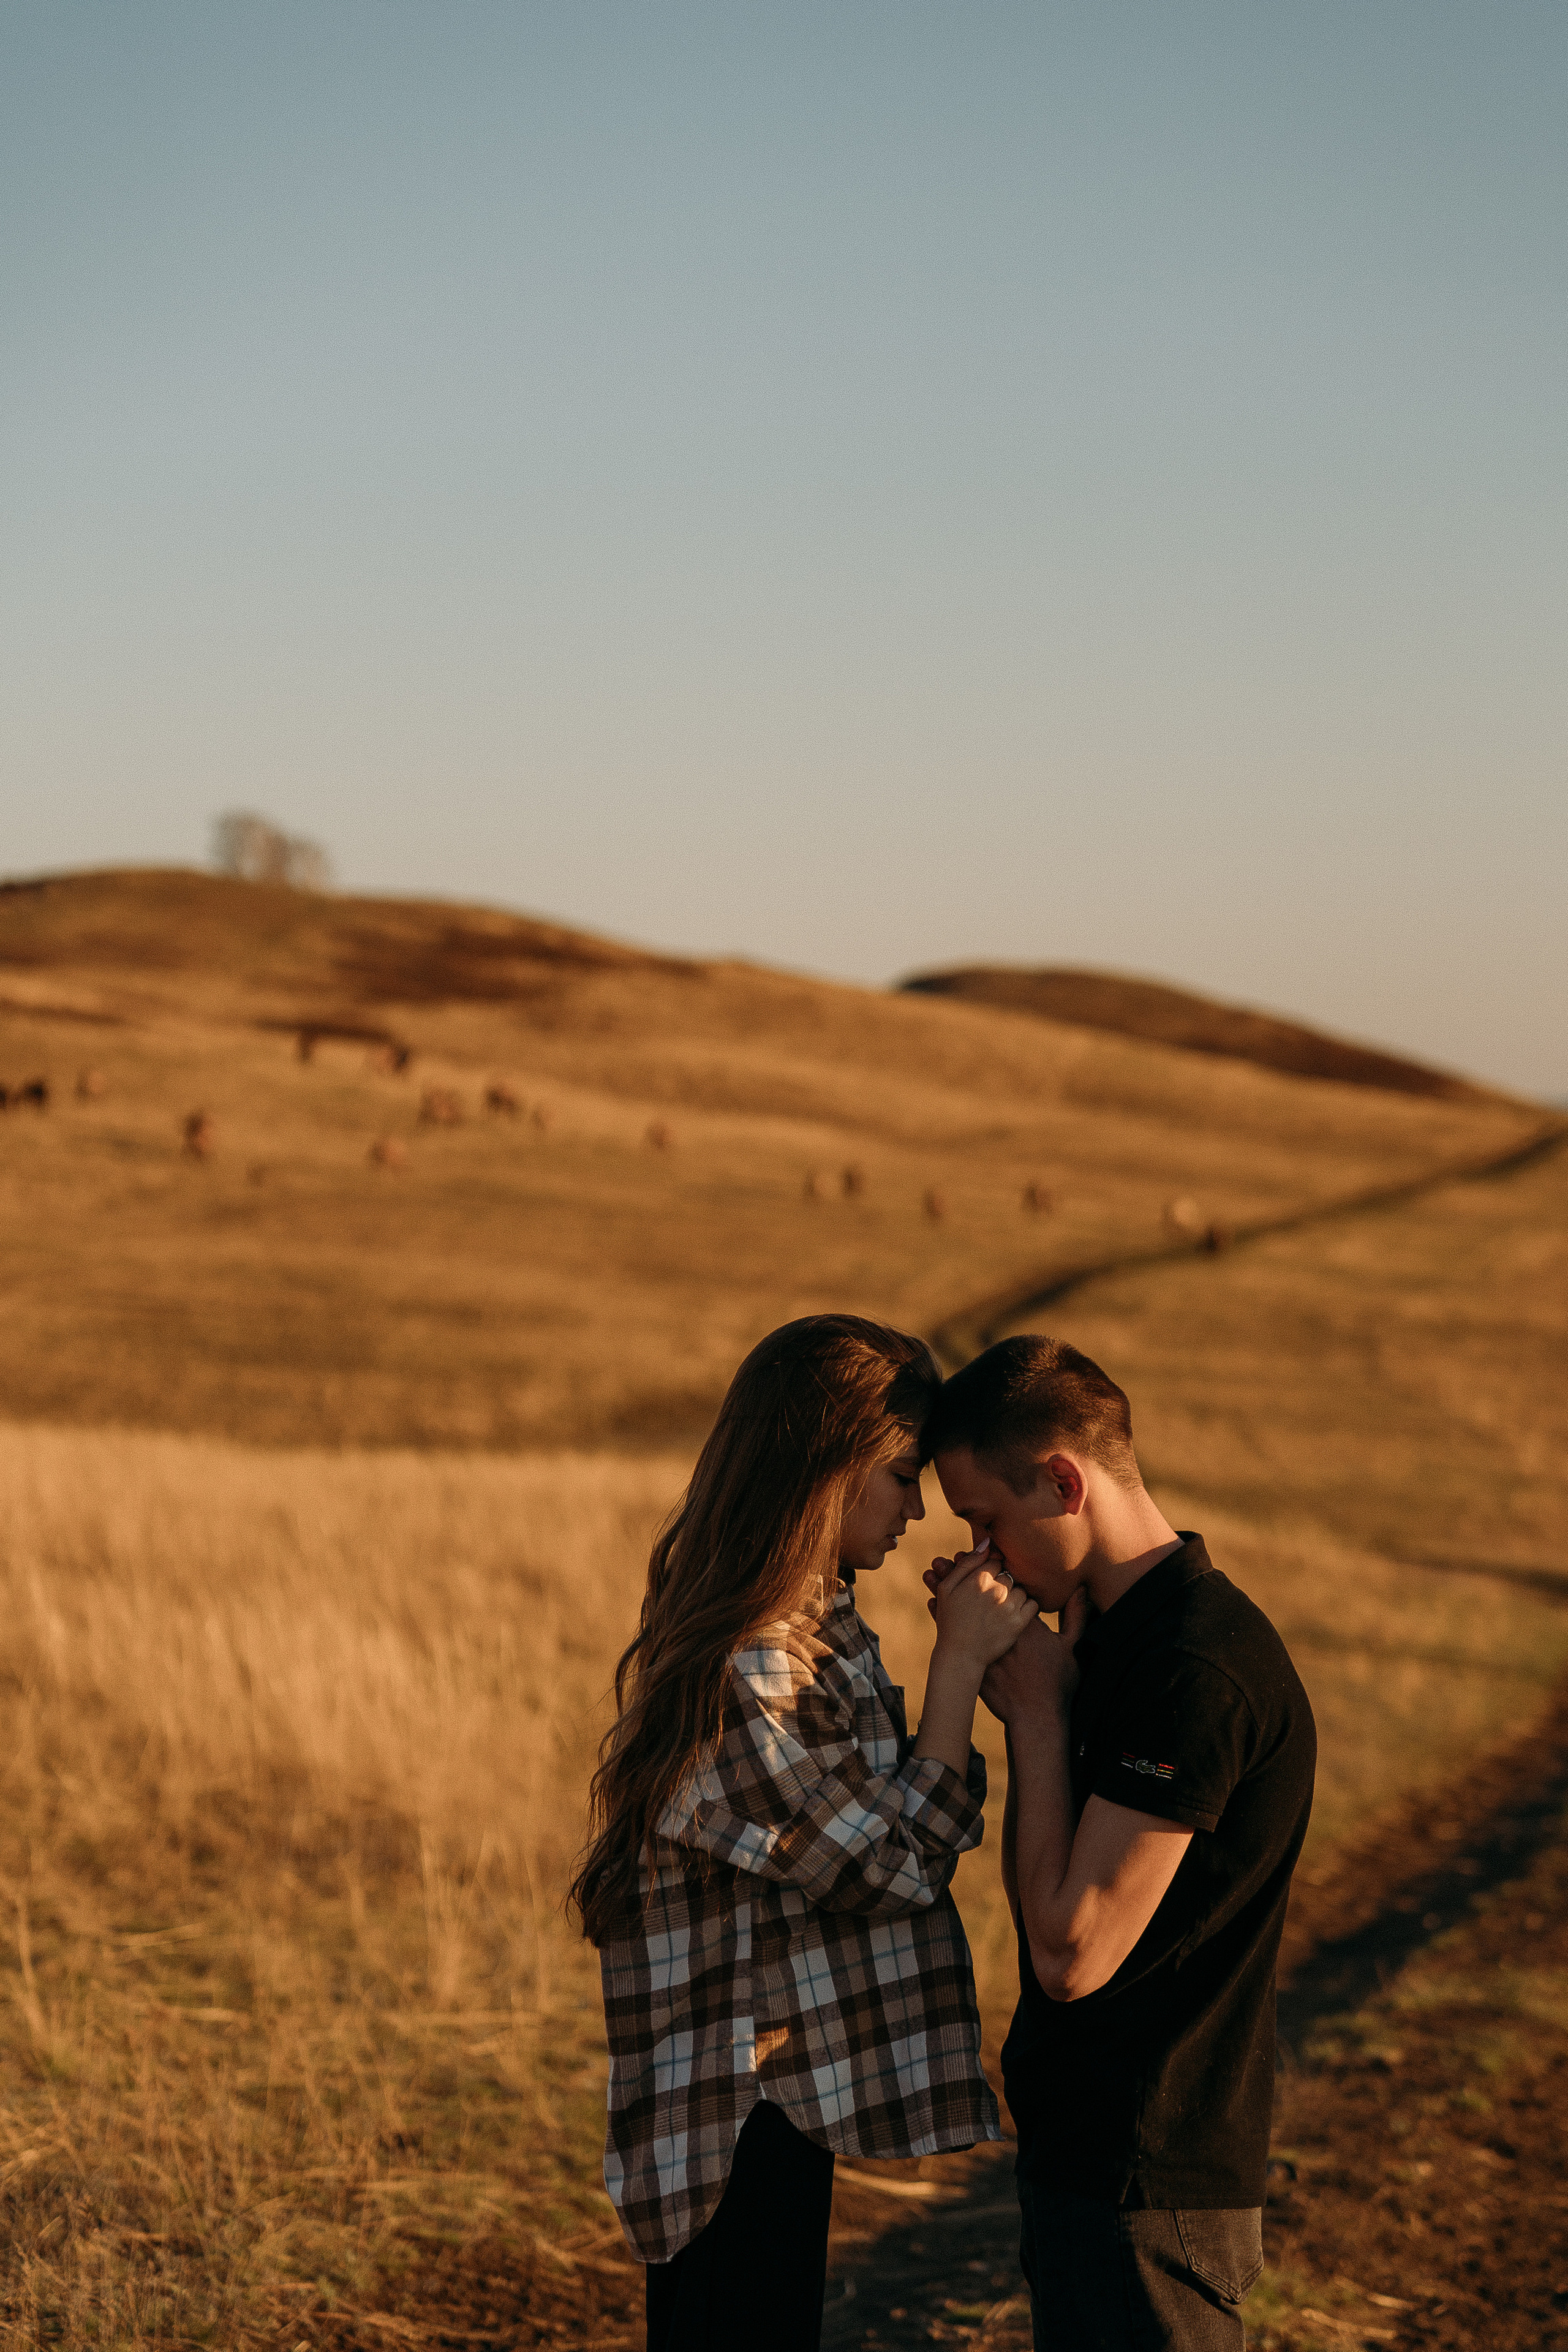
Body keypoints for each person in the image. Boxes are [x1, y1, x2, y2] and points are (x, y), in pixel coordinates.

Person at [570, 1313, 1038, 2352]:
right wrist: (958, 1667)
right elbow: (885, 1868)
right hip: (732, 2117)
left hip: (772, 2097)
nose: (916, 1510)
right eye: (902, 1475)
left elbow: (903, 1832)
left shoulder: (822, 1634)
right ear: (823, 1472)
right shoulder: (755, 1664)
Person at [924, 1335, 1316, 2352]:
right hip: (1100, 2165)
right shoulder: (1112, 1642)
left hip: (1151, 2182)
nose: (980, 1558)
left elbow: (1070, 1950)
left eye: (987, 1523)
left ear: (1064, 1480)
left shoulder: (1195, 1669)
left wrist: (1040, 1724)